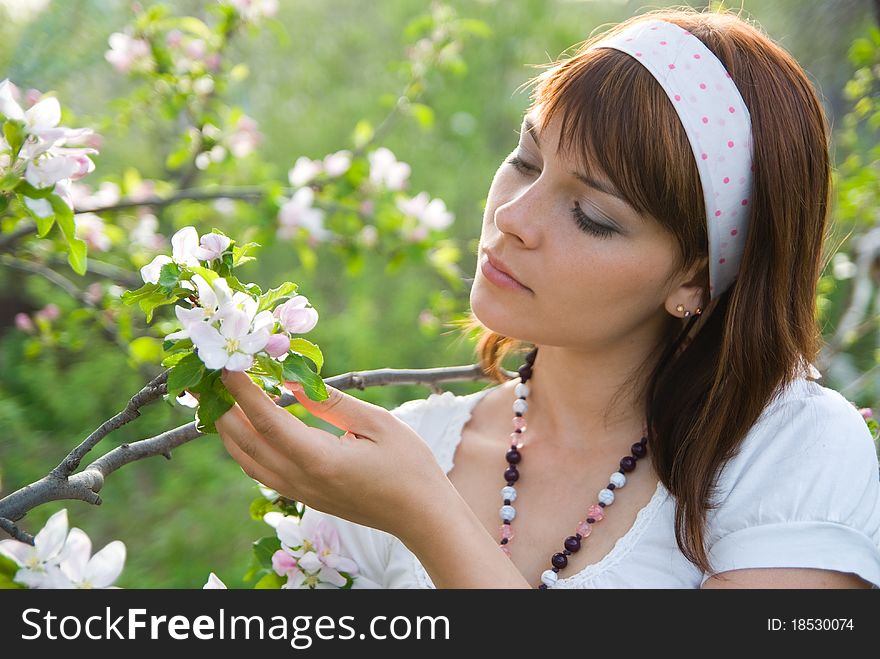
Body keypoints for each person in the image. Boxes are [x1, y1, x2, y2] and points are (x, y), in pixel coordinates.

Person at [213, 6, 880, 588]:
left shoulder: (795, 453)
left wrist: (424, 513)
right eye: (527, 161)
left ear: (694, 280)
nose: (513, 217)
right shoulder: (408, 449)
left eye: (591, 213)